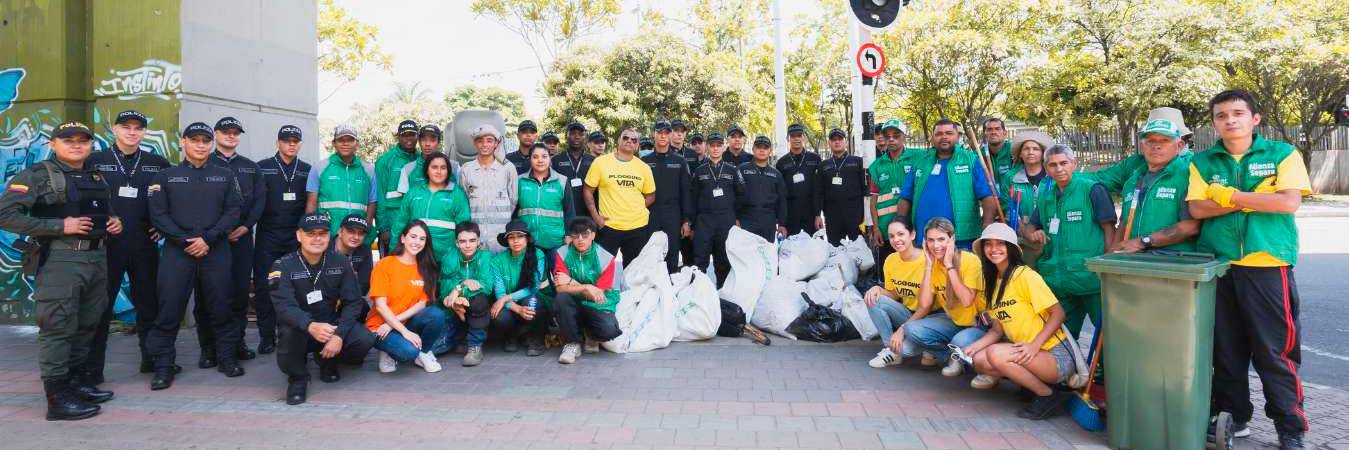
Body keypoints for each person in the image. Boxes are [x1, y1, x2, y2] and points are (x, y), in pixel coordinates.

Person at [1188, 90, 1311, 450]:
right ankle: (1235, 417)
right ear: (1214, 123)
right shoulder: (1202, 161)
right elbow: (1197, 209)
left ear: (1255, 119)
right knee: (1226, 352)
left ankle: (1290, 428)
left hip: (1266, 266)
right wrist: (1258, 198)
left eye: (1238, 113)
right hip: (1220, 267)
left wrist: (1227, 196)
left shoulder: (1282, 154)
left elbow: (1288, 202)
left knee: (1274, 353)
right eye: (1221, 115)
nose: (1230, 120)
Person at [0, 121, 122, 420]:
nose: (77, 145)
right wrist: (59, 226)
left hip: (96, 259)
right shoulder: (38, 175)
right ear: (54, 144)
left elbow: (99, 211)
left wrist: (115, 221)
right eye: (68, 140)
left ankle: (75, 384)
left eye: (83, 140)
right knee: (58, 327)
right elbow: (5, 214)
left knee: (86, 323)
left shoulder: (93, 175)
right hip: (60, 262)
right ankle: (57, 399)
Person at [146, 122, 244, 390]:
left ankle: (227, 358)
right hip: (178, 252)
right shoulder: (165, 176)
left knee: (222, 306)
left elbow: (233, 211)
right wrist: (184, 240)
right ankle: (163, 367)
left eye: (205, 140)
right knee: (169, 310)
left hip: (215, 249)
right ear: (184, 142)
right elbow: (158, 215)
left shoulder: (225, 176)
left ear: (211, 143)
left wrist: (208, 238)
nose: (201, 145)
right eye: (195, 140)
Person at [86, 110, 172, 381]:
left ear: (144, 132)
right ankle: (93, 370)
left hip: (144, 243)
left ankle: (152, 360)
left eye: (138, 128)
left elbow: (169, 200)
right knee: (100, 307)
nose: (132, 132)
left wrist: (162, 226)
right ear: (114, 129)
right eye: (126, 127)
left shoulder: (157, 162)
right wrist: (103, 219)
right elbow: (85, 198)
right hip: (107, 244)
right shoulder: (94, 161)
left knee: (149, 306)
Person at [962, 222, 1076, 420]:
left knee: (995, 353)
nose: (994, 249)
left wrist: (1034, 345)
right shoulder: (992, 284)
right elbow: (997, 331)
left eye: (1000, 244)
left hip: (1054, 355)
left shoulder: (1025, 276)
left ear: (1011, 248)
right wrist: (973, 347)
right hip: (1030, 353)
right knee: (979, 360)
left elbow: (1058, 313)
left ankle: (1048, 396)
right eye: (988, 244)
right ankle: (1031, 385)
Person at [268, 213, 375, 405]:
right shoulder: (282, 265)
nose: (317, 239)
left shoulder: (341, 262)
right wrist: (310, 325)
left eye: (323, 234)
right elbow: (284, 307)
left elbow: (353, 302)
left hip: (330, 325)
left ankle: (328, 359)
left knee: (364, 339)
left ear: (330, 236)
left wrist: (339, 336)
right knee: (288, 337)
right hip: (299, 327)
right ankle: (298, 378)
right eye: (311, 234)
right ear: (299, 236)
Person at [1022, 144, 1117, 339]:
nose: (1059, 169)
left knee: (1106, 335)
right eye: (1053, 165)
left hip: (1090, 279)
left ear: (1074, 163)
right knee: (1062, 337)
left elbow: (1110, 230)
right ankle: (1068, 368)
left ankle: (1102, 370)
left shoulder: (1092, 189)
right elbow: (1031, 225)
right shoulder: (1046, 197)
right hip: (1058, 281)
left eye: (1064, 163)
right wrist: (1033, 233)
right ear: (1046, 169)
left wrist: (1107, 266)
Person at [204, 116, 265, 363]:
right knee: (211, 295)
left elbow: (259, 201)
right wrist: (216, 231)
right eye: (226, 132)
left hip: (241, 239)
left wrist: (245, 226)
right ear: (216, 134)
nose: (231, 136)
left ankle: (237, 344)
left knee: (239, 295)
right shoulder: (204, 163)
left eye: (235, 133)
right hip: (212, 241)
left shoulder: (251, 167)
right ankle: (209, 349)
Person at [251, 125, 311, 356]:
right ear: (278, 143)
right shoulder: (263, 167)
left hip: (296, 237)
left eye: (295, 140)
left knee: (297, 287)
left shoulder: (306, 170)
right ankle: (267, 337)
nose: (291, 144)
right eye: (286, 140)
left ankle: (292, 333)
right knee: (266, 287)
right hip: (268, 235)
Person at [898, 218, 986, 372]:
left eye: (941, 239)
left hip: (978, 324)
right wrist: (929, 266)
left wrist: (949, 264)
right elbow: (924, 304)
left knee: (959, 341)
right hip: (953, 321)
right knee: (911, 329)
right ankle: (953, 355)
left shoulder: (970, 261)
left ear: (951, 239)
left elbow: (966, 300)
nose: (936, 245)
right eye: (931, 240)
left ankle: (958, 352)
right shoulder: (933, 264)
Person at [897, 118, 998, 249]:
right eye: (939, 134)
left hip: (961, 240)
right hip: (924, 240)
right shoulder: (920, 162)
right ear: (932, 138)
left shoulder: (970, 160)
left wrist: (988, 223)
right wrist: (901, 225)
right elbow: (905, 197)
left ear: (957, 137)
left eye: (949, 133)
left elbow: (988, 196)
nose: (944, 137)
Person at [1109, 116, 1199, 253]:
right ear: (1141, 146)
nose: (1156, 146)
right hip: (1134, 263)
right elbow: (1124, 222)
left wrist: (1143, 242)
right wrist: (1111, 254)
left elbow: (1191, 226)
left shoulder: (1188, 177)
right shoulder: (1133, 180)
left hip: (1174, 263)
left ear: (1179, 146)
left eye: (1164, 140)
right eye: (1150, 141)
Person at [368, 221, 446, 374]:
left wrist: (396, 326)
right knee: (408, 352)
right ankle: (387, 352)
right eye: (413, 236)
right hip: (380, 327)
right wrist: (403, 331)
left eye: (422, 239)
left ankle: (423, 353)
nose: (417, 242)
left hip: (402, 323)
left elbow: (422, 303)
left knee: (436, 314)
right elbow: (380, 306)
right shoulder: (385, 264)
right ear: (403, 238)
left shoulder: (425, 268)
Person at [551, 217, 623, 364]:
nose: (580, 239)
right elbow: (559, 288)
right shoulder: (562, 253)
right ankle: (572, 343)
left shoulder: (606, 258)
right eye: (576, 236)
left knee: (609, 330)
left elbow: (597, 296)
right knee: (561, 299)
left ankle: (591, 335)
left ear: (593, 235)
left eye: (585, 235)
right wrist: (586, 287)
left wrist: (571, 282)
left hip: (597, 305)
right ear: (570, 237)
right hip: (573, 302)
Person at [863, 220, 929, 368]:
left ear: (912, 234)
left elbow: (927, 307)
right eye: (892, 236)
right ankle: (891, 350)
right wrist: (877, 289)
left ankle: (929, 347)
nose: (896, 240)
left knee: (906, 349)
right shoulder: (891, 260)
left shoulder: (927, 260)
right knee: (873, 298)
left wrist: (902, 330)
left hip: (928, 317)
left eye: (901, 234)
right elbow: (894, 294)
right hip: (907, 313)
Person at [584, 128, 655, 262]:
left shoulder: (644, 167)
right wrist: (596, 217)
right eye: (625, 138)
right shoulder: (600, 163)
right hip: (609, 227)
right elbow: (588, 190)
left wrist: (635, 209)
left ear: (637, 145)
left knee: (633, 276)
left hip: (637, 228)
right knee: (601, 271)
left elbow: (651, 195)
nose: (629, 141)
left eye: (634, 140)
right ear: (619, 140)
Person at [392, 152, 470, 264]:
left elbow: (464, 228)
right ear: (427, 170)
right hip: (416, 255)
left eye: (443, 168)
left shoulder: (457, 194)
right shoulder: (413, 192)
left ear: (448, 171)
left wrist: (459, 257)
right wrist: (394, 250)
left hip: (447, 258)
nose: (439, 171)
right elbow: (400, 223)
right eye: (434, 167)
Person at [306, 124, 377, 246]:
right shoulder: (319, 167)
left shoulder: (368, 170)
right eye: (341, 140)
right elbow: (311, 202)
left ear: (357, 143)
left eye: (350, 140)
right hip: (328, 234)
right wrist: (310, 231)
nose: (345, 144)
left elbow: (372, 201)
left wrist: (367, 226)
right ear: (334, 143)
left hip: (358, 235)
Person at [489, 220, 552, 356]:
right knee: (498, 316)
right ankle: (512, 336)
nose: (516, 241)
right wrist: (517, 308)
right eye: (511, 237)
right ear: (507, 241)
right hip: (513, 305)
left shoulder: (538, 255)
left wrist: (506, 298)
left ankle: (537, 338)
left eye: (520, 236)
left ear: (527, 239)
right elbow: (499, 292)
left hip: (535, 298)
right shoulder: (498, 261)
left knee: (530, 302)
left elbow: (533, 287)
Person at [437, 222, 495, 366]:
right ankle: (458, 337)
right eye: (463, 241)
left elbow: (486, 286)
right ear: (457, 243)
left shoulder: (485, 257)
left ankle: (474, 345)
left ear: (478, 241)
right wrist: (462, 285)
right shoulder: (449, 258)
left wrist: (459, 291)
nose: (468, 245)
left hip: (476, 309)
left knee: (479, 300)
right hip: (455, 309)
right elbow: (445, 288)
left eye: (472, 240)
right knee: (435, 349)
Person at [641, 120, 693, 273]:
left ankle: (669, 292)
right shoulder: (645, 161)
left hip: (673, 213)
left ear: (670, 135)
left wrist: (686, 221)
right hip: (651, 214)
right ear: (654, 134)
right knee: (650, 254)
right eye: (659, 132)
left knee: (672, 254)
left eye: (666, 133)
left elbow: (686, 193)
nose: (663, 136)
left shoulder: (680, 161)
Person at [691, 133, 740, 286]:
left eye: (719, 145)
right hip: (704, 222)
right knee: (700, 262)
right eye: (712, 145)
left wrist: (737, 218)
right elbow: (693, 199)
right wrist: (691, 223)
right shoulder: (699, 171)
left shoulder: (732, 170)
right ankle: (699, 296)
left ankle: (723, 298)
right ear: (707, 147)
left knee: (723, 262)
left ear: (724, 146)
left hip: (726, 221)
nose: (716, 148)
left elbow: (741, 195)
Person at [998, 131, 1053, 267]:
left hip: (1051, 236)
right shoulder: (1010, 177)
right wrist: (1024, 230)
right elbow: (1007, 207)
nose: (1031, 152)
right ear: (1020, 153)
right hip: (1022, 238)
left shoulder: (1053, 176)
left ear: (1043, 153)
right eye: (1026, 149)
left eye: (1035, 149)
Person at [460, 125, 518, 252]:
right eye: (480, 140)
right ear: (474, 143)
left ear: (496, 143)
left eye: (489, 140)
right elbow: (463, 200)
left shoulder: (508, 168)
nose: (484, 144)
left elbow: (513, 200)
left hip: (501, 235)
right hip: (475, 236)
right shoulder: (466, 169)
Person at [869, 119, 921, 262]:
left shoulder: (919, 157)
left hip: (913, 225)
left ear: (905, 136)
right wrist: (876, 228)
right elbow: (873, 200)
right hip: (887, 229)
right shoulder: (876, 165)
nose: (891, 139)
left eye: (896, 135)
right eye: (887, 136)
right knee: (891, 267)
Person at [373, 120, 421, 253]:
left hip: (417, 222)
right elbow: (380, 196)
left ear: (417, 136)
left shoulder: (421, 159)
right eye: (405, 135)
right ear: (398, 136)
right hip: (393, 222)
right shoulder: (385, 161)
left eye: (412, 134)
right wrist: (384, 228)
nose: (409, 138)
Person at [517, 143, 573, 255]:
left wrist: (569, 234)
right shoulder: (520, 181)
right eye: (535, 157)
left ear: (550, 158)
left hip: (556, 242)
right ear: (530, 159)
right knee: (533, 272)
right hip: (528, 241)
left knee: (558, 272)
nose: (540, 160)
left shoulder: (562, 181)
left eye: (544, 156)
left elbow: (570, 211)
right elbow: (514, 210)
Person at [815, 129, 867, 245]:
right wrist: (818, 214)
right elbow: (819, 192)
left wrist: (866, 214)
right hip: (833, 216)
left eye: (840, 139)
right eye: (833, 140)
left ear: (846, 142)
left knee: (860, 252)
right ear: (829, 143)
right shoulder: (823, 165)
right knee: (836, 252)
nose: (837, 142)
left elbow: (866, 189)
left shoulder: (858, 162)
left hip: (855, 216)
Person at [735, 136, 788, 243]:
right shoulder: (742, 170)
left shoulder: (776, 174)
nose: (762, 150)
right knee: (747, 256)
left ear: (770, 150)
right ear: (753, 149)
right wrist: (735, 218)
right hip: (746, 220)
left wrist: (782, 224)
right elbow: (733, 195)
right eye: (759, 147)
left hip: (768, 221)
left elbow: (782, 200)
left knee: (766, 256)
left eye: (765, 147)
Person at [776, 123, 821, 236]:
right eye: (793, 136)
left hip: (811, 211)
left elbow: (819, 189)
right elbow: (780, 194)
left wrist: (818, 214)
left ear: (803, 138)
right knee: (790, 251)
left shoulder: (815, 159)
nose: (796, 139)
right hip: (791, 213)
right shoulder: (781, 163)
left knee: (815, 249)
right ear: (788, 139)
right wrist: (781, 222)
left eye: (799, 135)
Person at [552, 126, 595, 222]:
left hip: (588, 214)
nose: (577, 137)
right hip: (563, 213)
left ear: (585, 138)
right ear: (566, 136)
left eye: (580, 134)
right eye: (573, 133)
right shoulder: (556, 160)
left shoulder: (593, 160)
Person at [980, 118, 1014, 183]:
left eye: (997, 129)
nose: (993, 132)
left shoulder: (1015, 151)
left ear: (1005, 133)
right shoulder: (978, 155)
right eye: (989, 129)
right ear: (984, 134)